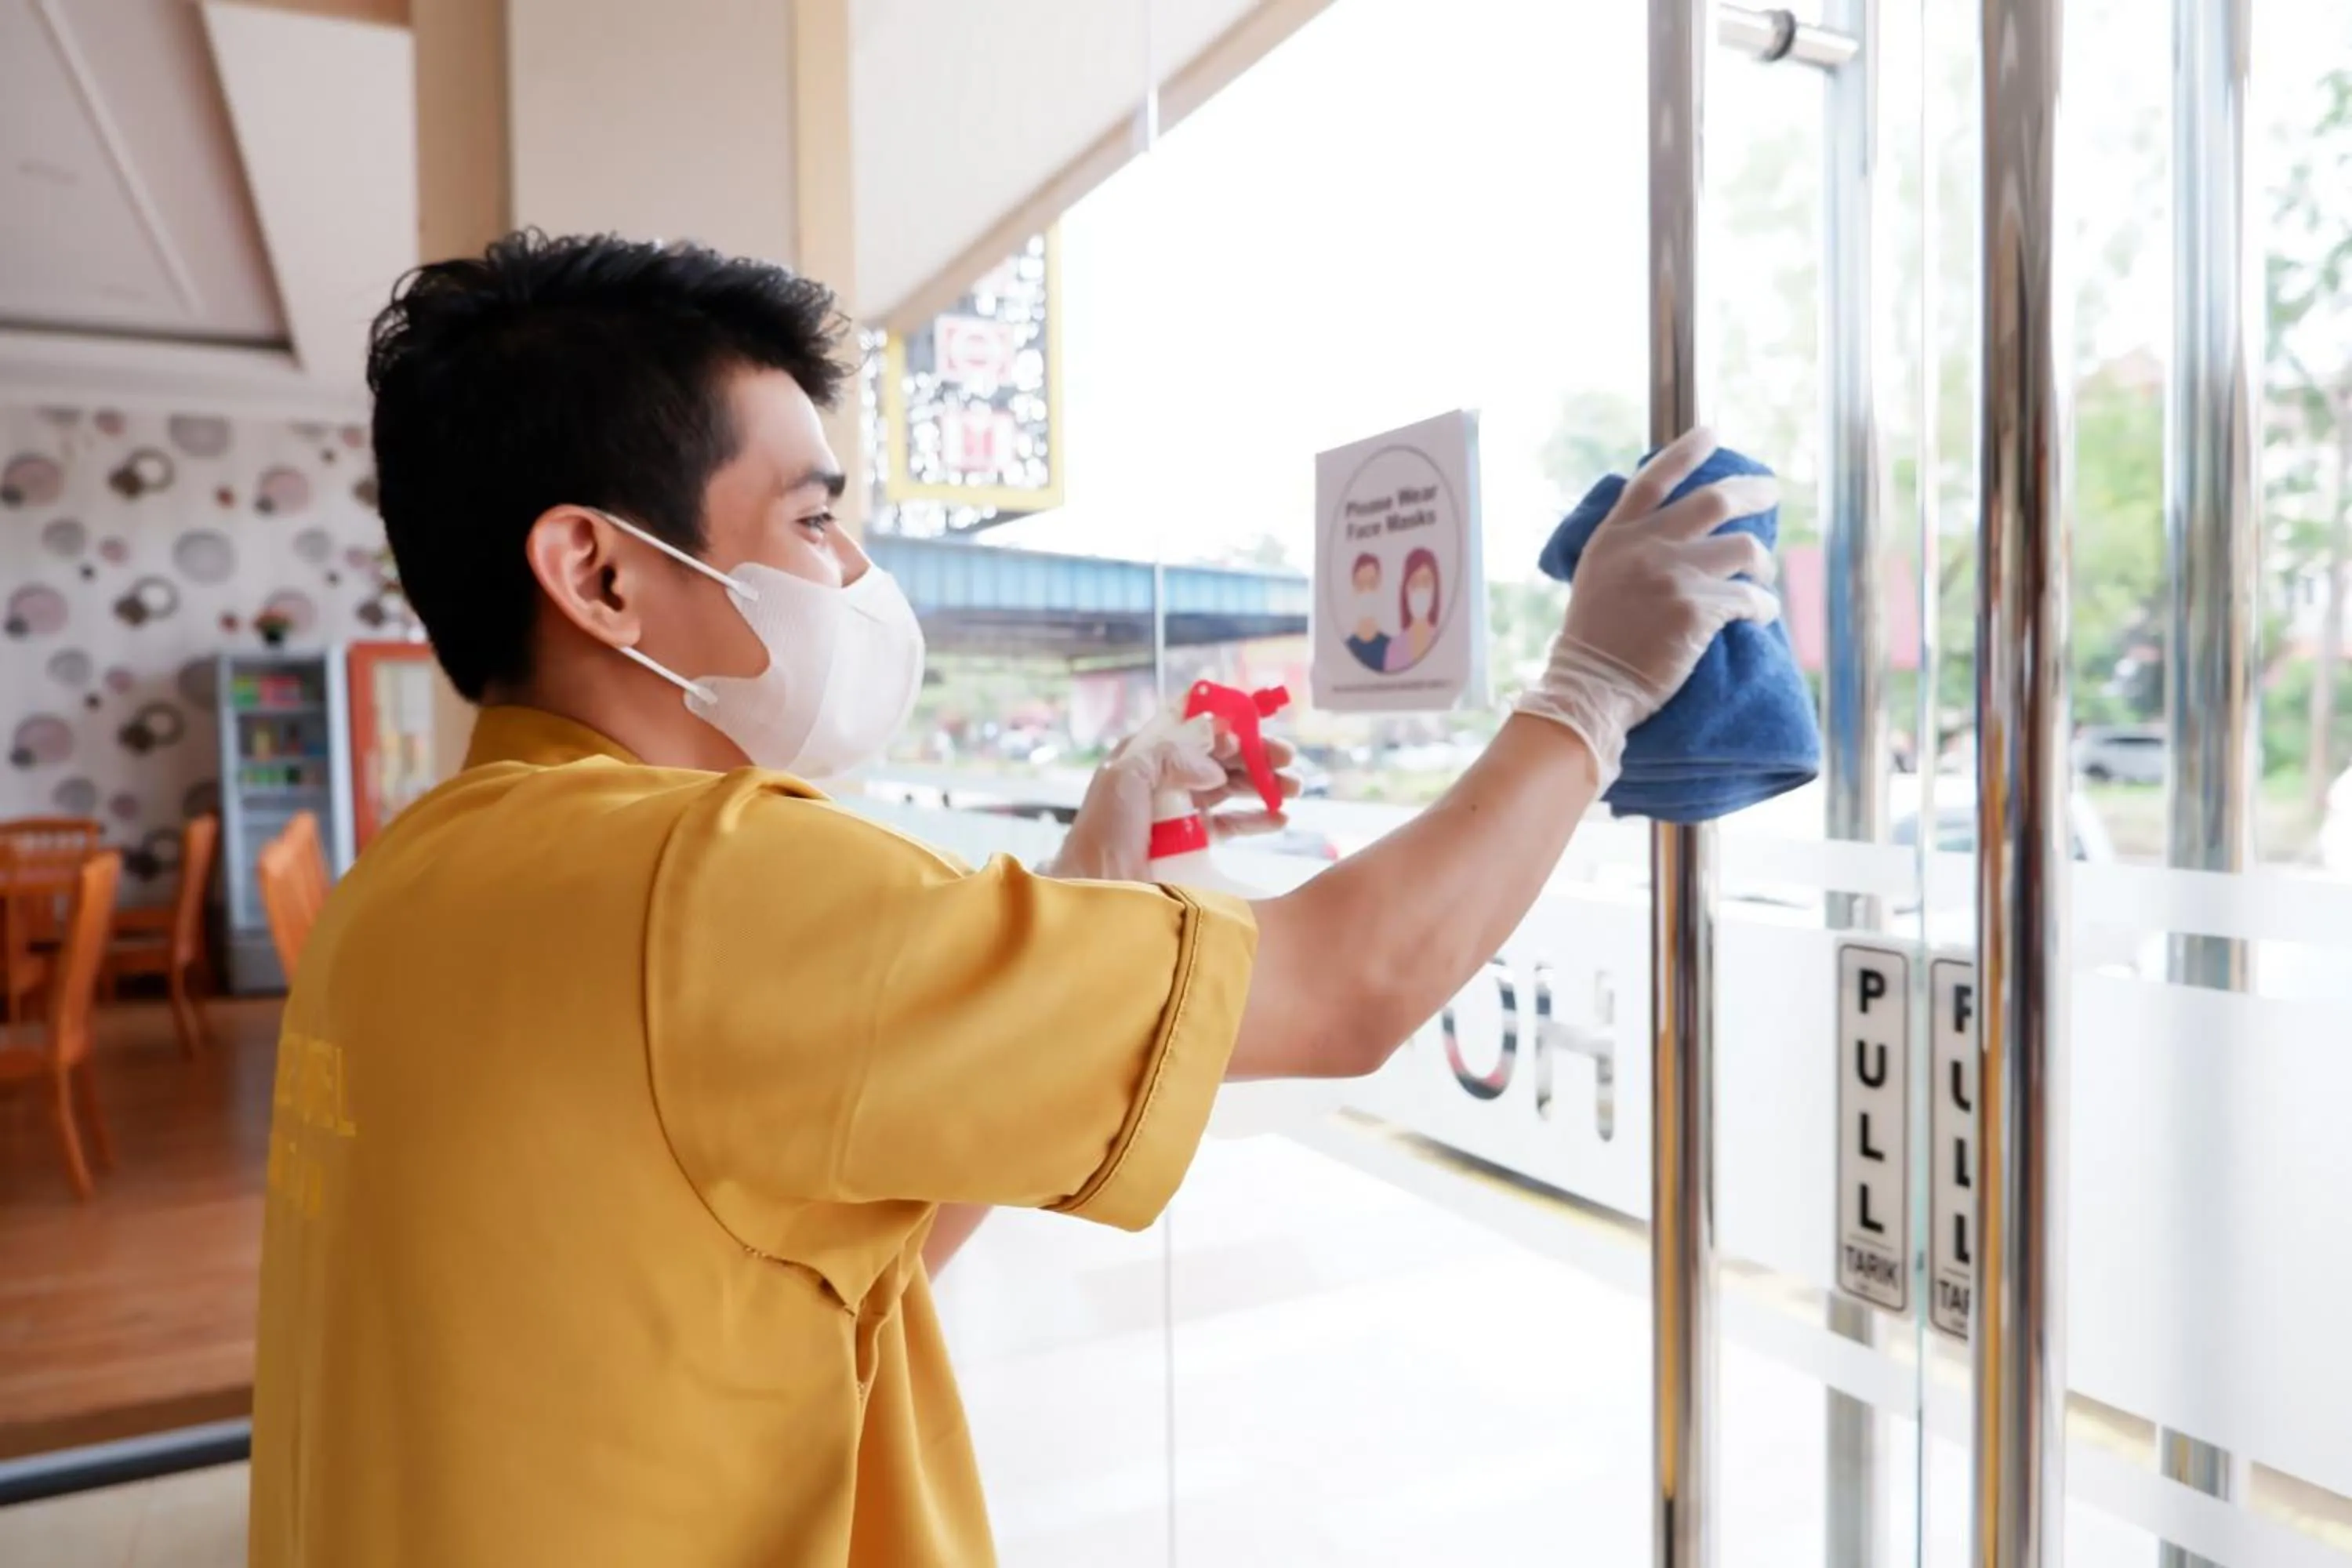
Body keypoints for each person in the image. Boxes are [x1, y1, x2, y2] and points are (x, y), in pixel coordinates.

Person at [247, 230, 1780, 1568]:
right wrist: (1590, 688)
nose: (852, 568)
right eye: (809, 518)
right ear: (599, 573)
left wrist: (1101, 854)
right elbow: (1348, 985)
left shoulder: (413, 885)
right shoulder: (706, 877)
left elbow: (836, 1250)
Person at [1386, 544, 1443, 671]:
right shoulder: (1394, 648)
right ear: (1405, 590)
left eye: (1426, 582)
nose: (1420, 590)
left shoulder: (1443, 644)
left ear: (1435, 589)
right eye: (1414, 583)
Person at [1343, 550, 1392, 671]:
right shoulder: (1346, 649)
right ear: (1353, 589)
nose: (1367, 591)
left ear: (1380, 588)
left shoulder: (1392, 649)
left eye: (1372, 584)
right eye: (1361, 584)